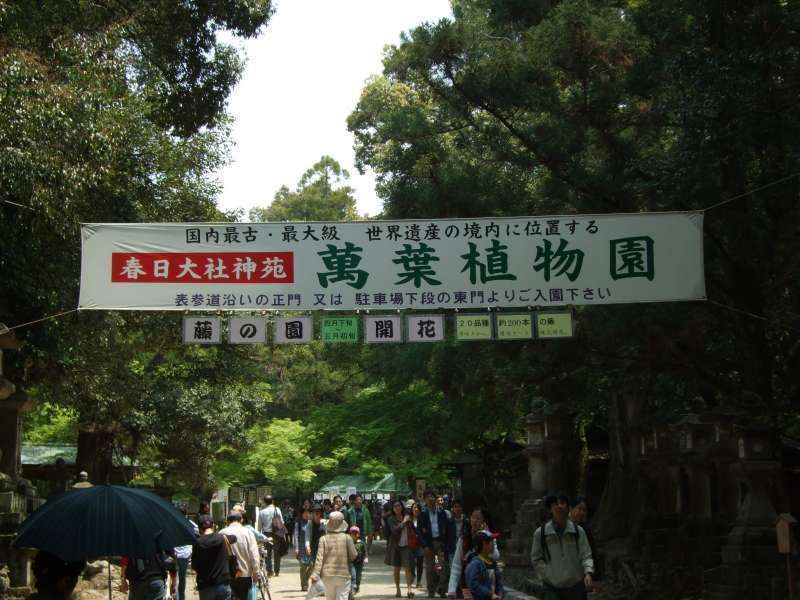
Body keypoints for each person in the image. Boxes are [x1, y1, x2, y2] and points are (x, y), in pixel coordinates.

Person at [531, 494, 593, 600]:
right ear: (550, 509)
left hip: (576, 587)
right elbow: (536, 558)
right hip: (552, 588)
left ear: (568, 508)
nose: (559, 506)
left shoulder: (578, 531)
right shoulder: (541, 533)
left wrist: (588, 573)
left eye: (563, 503)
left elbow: (586, 555)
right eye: (555, 504)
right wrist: (547, 574)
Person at [448, 507, 499, 599]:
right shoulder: (463, 540)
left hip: (486, 584)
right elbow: (456, 565)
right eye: (473, 517)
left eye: (478, 518)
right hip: (468, 584)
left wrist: (487, 537)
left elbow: (495, 556)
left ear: (484, 521)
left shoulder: (490, 538)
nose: (474, 521)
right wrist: (451, 589)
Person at [309, 511, 357, 600]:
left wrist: (315, 574)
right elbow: (353, 555)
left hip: (327, 576)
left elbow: (319, 558)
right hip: (344, 575)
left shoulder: (323, 539)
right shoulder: (347, 538)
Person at [193, 514, 237, 600]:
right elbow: (234, 538)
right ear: (213, 525)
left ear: (199, 528)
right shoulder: (222, 538)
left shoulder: (198, 543)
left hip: (205, 584)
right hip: (223, 582)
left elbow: (194, 565)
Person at [220, 511, 261, 600]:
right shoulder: (248, 533)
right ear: (241, 520)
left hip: (227, 576)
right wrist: (256, 573)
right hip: (245, 575)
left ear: (227, 521)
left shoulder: (221, 533)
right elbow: (254, 556)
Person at [418, 490, 450, 598]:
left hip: (440, 543)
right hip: (429, 544)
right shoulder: (422, 514)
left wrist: (445, 543)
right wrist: (424, 545)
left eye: (432, 496)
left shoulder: (442, 513)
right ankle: (431, 590)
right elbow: (419, 532)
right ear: (425, 500)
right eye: (428, 497)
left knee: (441, 566)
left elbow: (447, 528)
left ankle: (441, 589)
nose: (430, 499)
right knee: (430, 568)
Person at [385, 500, 416, 598]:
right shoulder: (391, 519)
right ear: (393, 509)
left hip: (406, 545)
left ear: (402, 507)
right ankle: (398, 589)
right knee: (397, 568)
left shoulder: (407, 517)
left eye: (399, 506)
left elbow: (413, 528)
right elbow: (395, 530)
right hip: (395, 546)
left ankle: (409, 590)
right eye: (395, 506)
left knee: (408, 567)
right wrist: (404, 522)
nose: (397, 508)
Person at [465, 531, 504, 600]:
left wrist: (500, 594)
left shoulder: (493, 563)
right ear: (484, 544)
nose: (494, 544)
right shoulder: (476, 564)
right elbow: (473, 584)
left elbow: (499, 583)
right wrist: (490, 595)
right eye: (491, 541)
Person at [175, 505, 200, 600]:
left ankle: (176, 595)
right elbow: (198, 533)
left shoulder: (172, 522)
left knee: (174, 575)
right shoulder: (191, 524)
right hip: (185, 554)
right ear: (186, 514)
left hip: (174, 553)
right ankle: (181, 596)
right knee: (181, 577)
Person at [256, 496, 285, 577]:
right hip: (277, 533)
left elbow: (259, 527)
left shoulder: (262, 512)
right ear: (272, 501)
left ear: (264, 502)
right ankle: (277, 571)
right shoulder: (277, 509)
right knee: (277, 553)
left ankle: (269, 571)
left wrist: (259, 538)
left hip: (266, 534)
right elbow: (282, 522)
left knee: (267, 554)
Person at [294, 506, 313, 592]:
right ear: (302, 514)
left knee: (312, 565)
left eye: (308, 513)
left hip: (310, 547)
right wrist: (296, 548)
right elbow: (296, 536)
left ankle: (305, 580)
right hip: (301, 547)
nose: (306, 514)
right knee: (303, 567)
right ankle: (304, 585)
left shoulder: (312, 523)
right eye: (305, 513)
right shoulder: (298, 523)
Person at [349, 526, 367, 596]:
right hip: (352, 562)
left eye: (356, 533)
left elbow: (365, 552)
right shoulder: (349, 543)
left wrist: (365, 558)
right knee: (353, 575)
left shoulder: (361, 543)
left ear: (358, 534)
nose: (354, 535)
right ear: (350, 534)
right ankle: (353, 587)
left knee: (358, 576)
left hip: (359, 562)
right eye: (353, 533)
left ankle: (357, 586)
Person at [411, 504, 425, 588]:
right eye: (414, 508)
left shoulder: (422, 519)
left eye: (417, 508)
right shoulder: (408, 519)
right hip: (411, 544)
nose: (416, 509)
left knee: (420, 563)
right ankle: (412, 575)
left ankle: (419, 581)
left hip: (420, 544)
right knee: (411, 562)